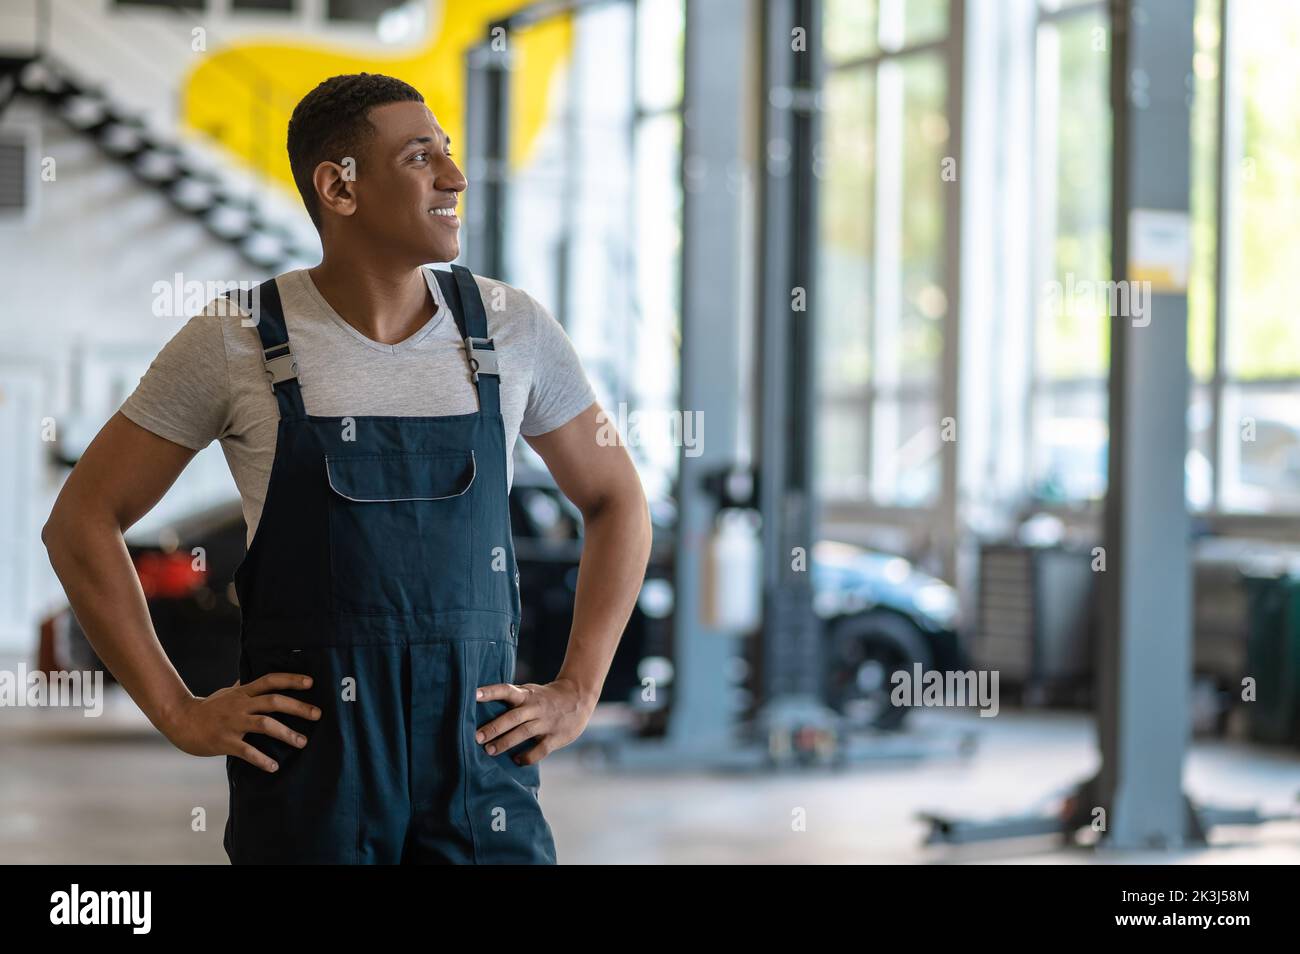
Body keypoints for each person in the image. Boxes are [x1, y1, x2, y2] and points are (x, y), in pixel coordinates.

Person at [41, 72, 652, 864]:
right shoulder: (235, 341)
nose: (454, 178)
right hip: (311, 788)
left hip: (477, 776)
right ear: (340, 185)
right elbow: (80, 523)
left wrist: (579, 688)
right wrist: (180, 711)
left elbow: (617, 499)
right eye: (419, 157)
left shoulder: (512, 331)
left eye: (450, 154)